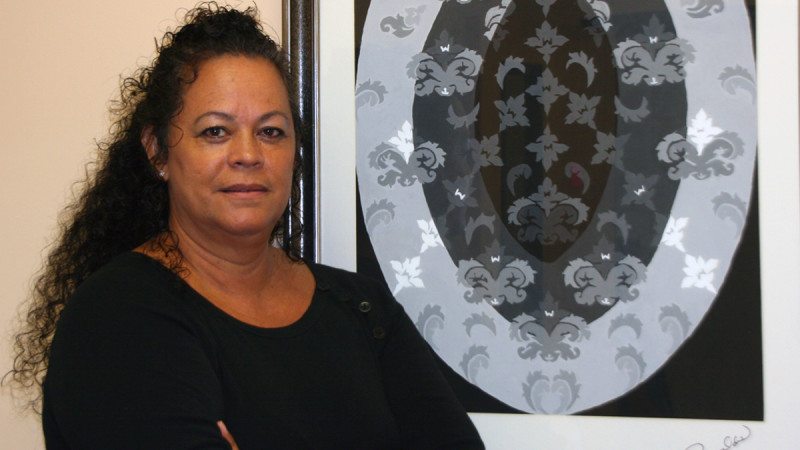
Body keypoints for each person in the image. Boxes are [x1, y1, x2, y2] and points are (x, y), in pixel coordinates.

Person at [8, 3, 484, 449]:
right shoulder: (118, 318)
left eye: (271, 131)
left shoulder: (362, 311)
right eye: (215, 131)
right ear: (157, 151)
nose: (249, 155)